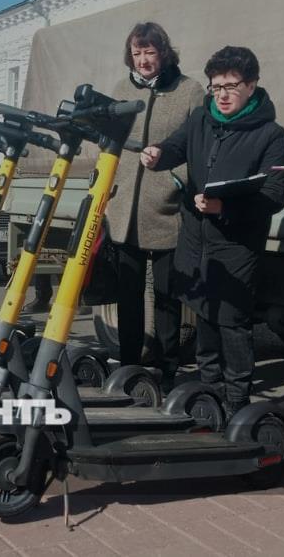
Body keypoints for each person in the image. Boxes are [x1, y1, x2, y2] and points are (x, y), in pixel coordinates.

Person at [140, 46, 284, 417]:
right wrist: (158, 154)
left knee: (232, 322)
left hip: (237, 243)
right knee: (204, 314)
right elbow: (176, 147)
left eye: (231, 86)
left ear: (251, 85)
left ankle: (237, 401)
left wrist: (226, 208)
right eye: (216, 86)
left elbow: (274, 195)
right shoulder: (200, 119)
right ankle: (209, 392)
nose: (222, 95)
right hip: (196, 237)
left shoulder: (270, 134)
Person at [106, 22, 205, 385]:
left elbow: (199, 146)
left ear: (163, 52)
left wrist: (176, 179)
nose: (143, 60)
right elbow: (109, 143)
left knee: (167, 295)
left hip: (167, 206)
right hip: (125, 208)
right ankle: (128, 364)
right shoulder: (121, 90)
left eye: (149, 52)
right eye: (137, 53)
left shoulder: (189, 90)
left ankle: (167, 369)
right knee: (128, 294)